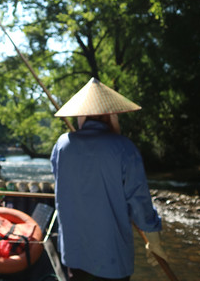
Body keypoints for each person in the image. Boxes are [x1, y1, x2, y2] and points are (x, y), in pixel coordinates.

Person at [50, 77, 168, 281]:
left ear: (81, 115)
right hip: (112, 259)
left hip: (73, 253)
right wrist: (153, 238)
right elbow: (139, 201)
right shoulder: (124, 147)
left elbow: (66, 184)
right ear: (111, 115)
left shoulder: (61, 145)